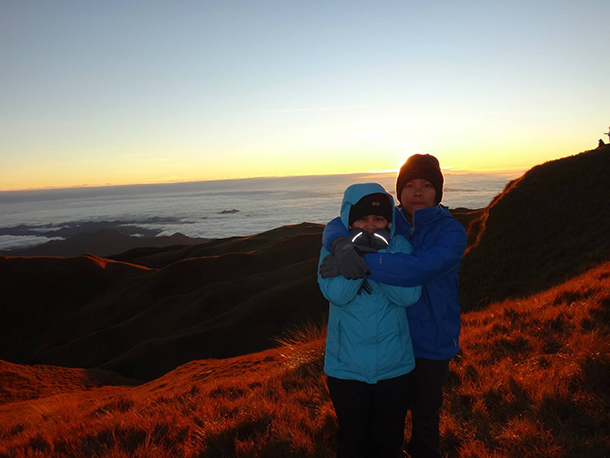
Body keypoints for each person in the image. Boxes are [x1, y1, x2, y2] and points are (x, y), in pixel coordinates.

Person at [321, 154, 467, 458]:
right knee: (384, 427)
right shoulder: (390, 221)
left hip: (431, 340)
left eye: (427, 185)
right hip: (392, 343)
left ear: (438, 191)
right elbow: (339, 221)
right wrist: (339, 244)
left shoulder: (451, 232)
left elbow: (420, 268)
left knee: (425, 421)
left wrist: (359, 260)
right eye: (410, 184)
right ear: (399, 191)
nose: (417, 192)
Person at [318, 182, 422, 458]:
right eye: (362, 218)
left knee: (388, 443)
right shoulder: (333, 249)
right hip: (346, 369)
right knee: (353, 442)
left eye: (378, 218)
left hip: (395, 368)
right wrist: (351, 254)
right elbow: (337, 294)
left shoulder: (399, 245)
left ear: (388, 219)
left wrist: (376, 258)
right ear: (350, 219)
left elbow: (408, 295)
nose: (370, 225)